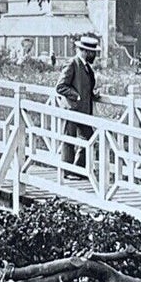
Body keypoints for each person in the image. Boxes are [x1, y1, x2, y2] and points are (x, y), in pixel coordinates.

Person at [55, 32, 100, 175]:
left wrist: (93, 94)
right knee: (69, 140)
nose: (95, 56)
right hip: (72, 109)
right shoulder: (72, 63)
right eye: (93, 53)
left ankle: (78, 170)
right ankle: (67, 172)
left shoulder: (87, 67)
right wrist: (76, 96)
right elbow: (60, 86)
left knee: (89, 139)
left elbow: (86, 87)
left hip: (84, 111)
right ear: (86, 52)